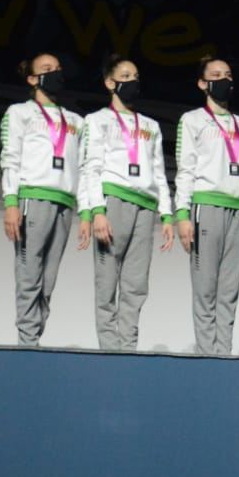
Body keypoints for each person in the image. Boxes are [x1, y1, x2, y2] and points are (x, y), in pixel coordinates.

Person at [78, 55, 173, 351]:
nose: (133, 81)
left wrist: (167, 215)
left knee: (136, 283)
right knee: (107, 281)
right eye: (126, 76)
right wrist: (97, 211)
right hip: (113, 200)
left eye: (136, 76)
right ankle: (109, 348)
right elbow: (90, 168)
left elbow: (159, 171)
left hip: (144, 205)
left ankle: (127, 348)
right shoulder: (96, 120)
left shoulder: (151, 126)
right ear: (110, 83)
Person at [174, 57, 239, 356]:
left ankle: (222, 354)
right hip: (207, 207)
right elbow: (185, 169)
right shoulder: (192, 120)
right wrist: (183, 214)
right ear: (202, 83)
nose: (223, 80)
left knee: (229, 290)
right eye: (215, 75)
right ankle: (205, 355)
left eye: (227, 74)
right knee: (206, 289)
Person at [0, 53, 84, 346]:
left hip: (64, 203)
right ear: (32, 79)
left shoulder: (75, 121)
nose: (56, 73)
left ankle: (35, 337)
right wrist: (11, 202)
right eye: (47, 70)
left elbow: (83, 168)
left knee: (48, 280)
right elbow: (10, 158)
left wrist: (84, 212)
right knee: (29, 275)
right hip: (32, 199)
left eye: (59, 69)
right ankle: (26, 343)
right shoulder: (19, 113)